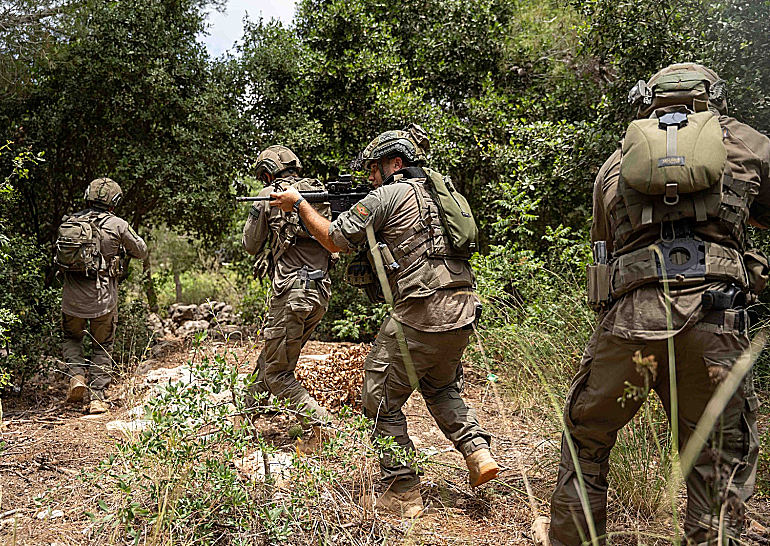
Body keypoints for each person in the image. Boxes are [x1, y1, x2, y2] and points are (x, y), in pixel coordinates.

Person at [534, 63, 770, 546]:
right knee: (716, 460)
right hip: (715, 321)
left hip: (630, 325)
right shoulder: (747, 145)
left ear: (649, 102)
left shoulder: (617, 163)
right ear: (713, 99)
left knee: (586, 439)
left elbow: (604, 249)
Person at [269, 125, 499, 518]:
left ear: (397, 162)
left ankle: (401, 490)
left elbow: (333, 239)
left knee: (377, 400)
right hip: (463, 308)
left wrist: (299, 204)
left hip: (421, 311)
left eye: (375, 169)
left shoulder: (389, 194)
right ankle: (478, 453)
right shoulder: (442, 194)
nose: (371, 178)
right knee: (441, 386)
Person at [242, 145, 335, 448]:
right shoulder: (317, 193)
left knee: (277, 374)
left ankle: (320, 425)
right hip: (319, 294)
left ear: (267, 173)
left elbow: (250, 244)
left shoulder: (272, 196)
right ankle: (244, 414)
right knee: (271, 355)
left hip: (292, 293)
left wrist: (260, 205)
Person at [59, 177, 147, 414]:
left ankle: (77, 376)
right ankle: (97, 398)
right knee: (102, 345)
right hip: (103, 300)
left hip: (71, 299)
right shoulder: (118, 224)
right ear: (114, 201)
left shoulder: (70, 221)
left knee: (72, 338)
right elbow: (141, 251)